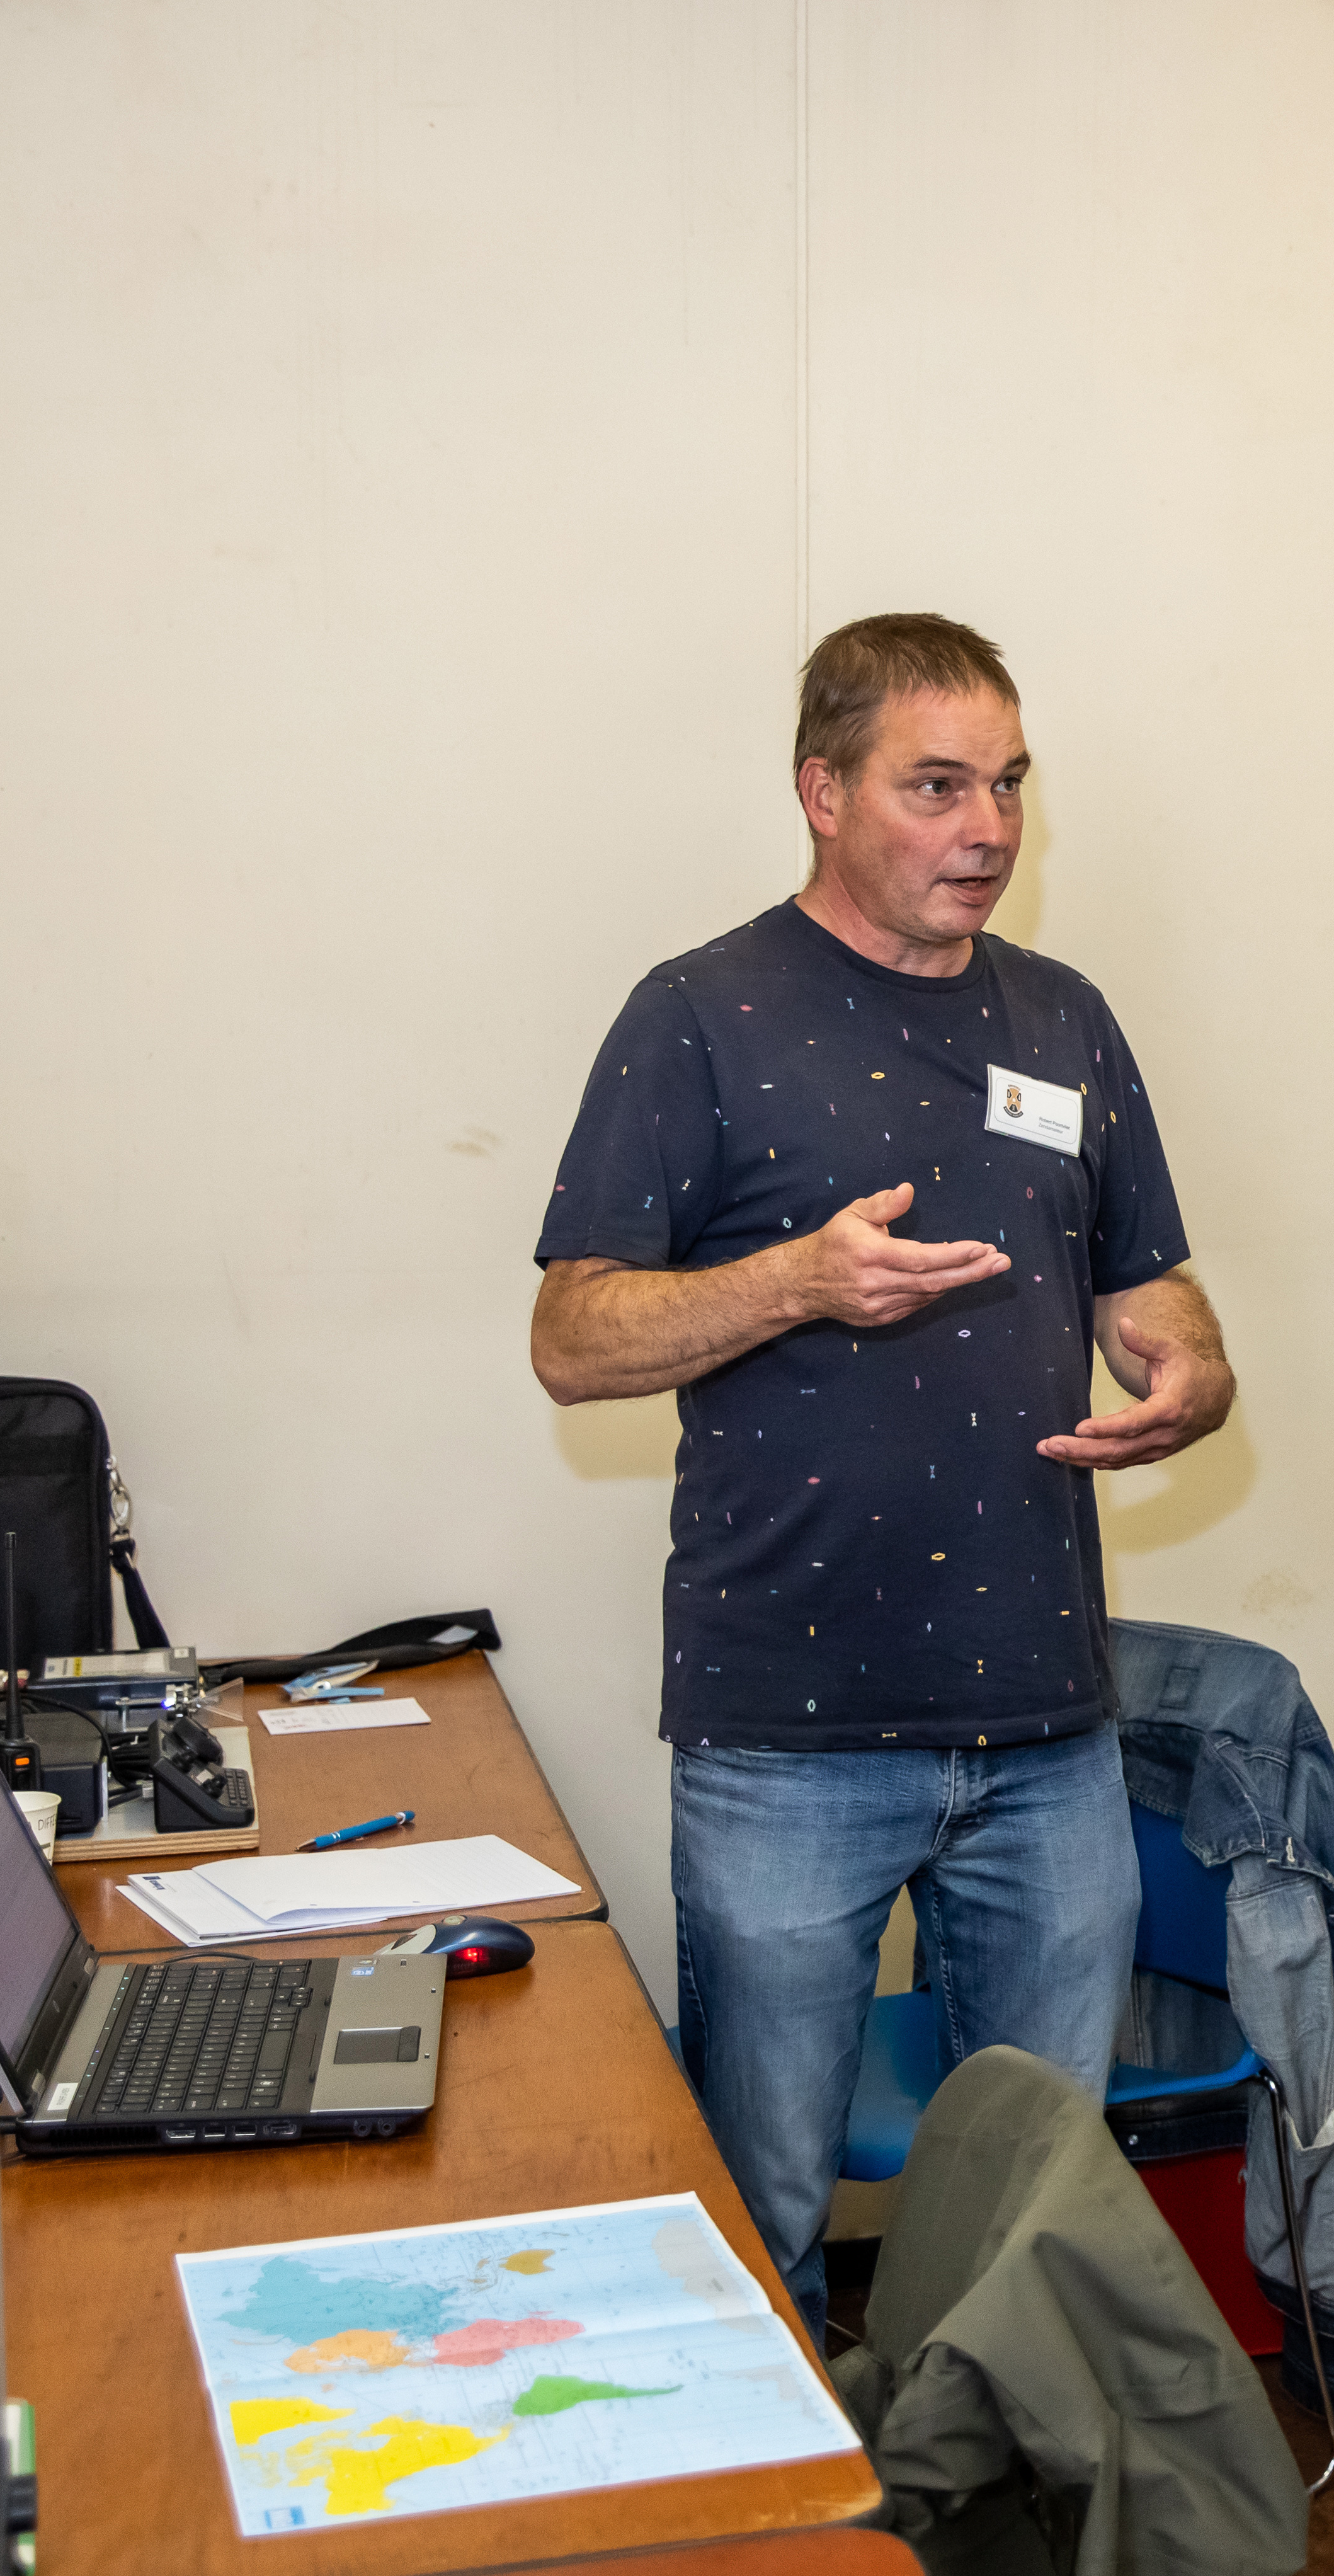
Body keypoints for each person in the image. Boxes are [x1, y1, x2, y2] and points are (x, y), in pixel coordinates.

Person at [528, 612, 1233, 2340]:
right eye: (937, 785)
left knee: (1036, 2209)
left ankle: (983, 2497)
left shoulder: (1065, 1021)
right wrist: (796, 1279)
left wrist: (1194, 1371)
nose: (988, 825)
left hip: (1047, 1730)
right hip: (787, 1741)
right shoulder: (697, 1013)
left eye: (1006, 784)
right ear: (822, 791)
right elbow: (572, 1336)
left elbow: (1158, 1290)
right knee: (761, 2212)